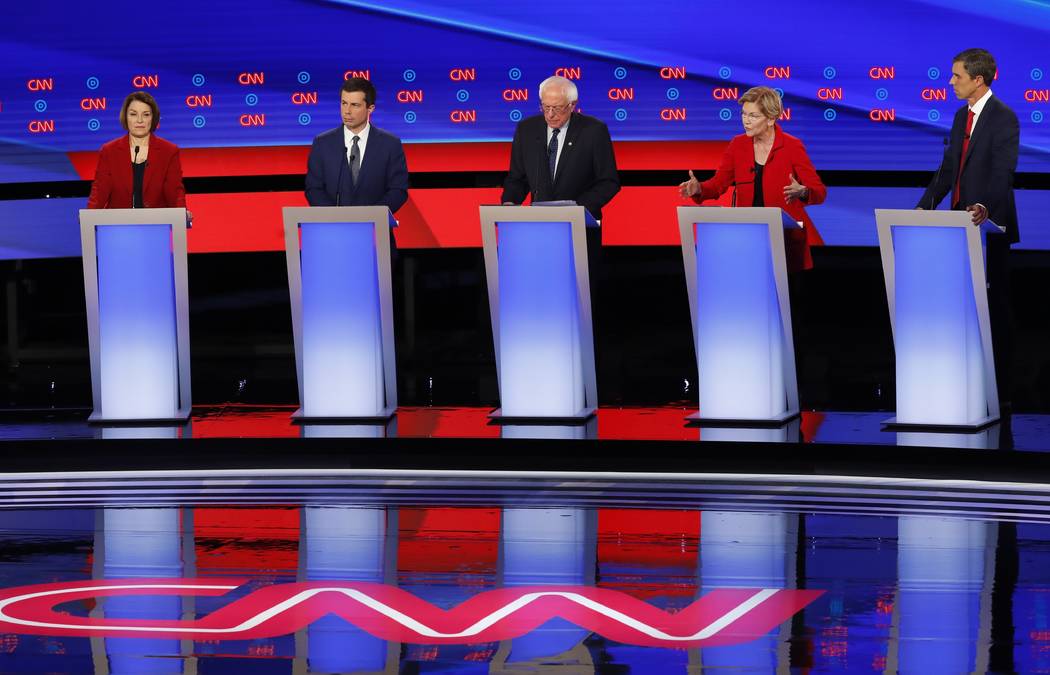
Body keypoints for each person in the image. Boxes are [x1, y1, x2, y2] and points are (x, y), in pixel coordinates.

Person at [917, 48, 1020, 408]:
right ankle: (964, 387)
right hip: (957, 228)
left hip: (987, 226)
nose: (950, 82)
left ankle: (1001, 394)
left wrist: (983, 207)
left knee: (993, 307)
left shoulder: (1004, 117)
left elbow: (1002, 173)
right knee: (960, 307)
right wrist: (924, 207)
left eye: (957, 76)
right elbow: (948, 169)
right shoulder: (962, 116)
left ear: (978, 80)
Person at [678, 85, 826, 272]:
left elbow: (819, 192)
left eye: (753, 116)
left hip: (786, 241)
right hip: (749, 238)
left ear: (771, 119)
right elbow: (718, 184)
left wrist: (803, 191)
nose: (746, 121)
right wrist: (699, 189)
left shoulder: (792, 146)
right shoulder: (737, 145)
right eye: (744, 114)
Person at [500, 75, 620, 221]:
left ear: (572, 105)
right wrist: (509, 203)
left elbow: (608, 182)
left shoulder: (593, 131)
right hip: (539, 224)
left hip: (580, 223)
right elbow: (517, 179)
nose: (550, 114)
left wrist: (577, 209)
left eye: (557, 108)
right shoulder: (526, 129)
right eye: (545, 107)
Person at [305, 77, 409, 212]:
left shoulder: (390, 144)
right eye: (344, 103)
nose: (347, 111)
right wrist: (335, 217)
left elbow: (398, 190)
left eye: (355, 105)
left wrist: (371, 216)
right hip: (334, 229)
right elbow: (314, 189)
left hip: (375, 229)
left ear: (370, 108)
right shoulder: (322, 143)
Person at [87, 91, 186, 210]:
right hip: (118, 225)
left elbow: (175, 193)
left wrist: (181, 213)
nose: (140, 120)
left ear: (153, 118)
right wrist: (89, 216)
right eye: (133, 114)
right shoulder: (109, 151)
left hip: (156, 225)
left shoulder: (169, 151)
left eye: (146, 114)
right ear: (125, 117)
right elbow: (99, 191)